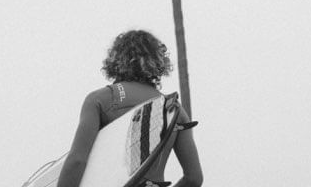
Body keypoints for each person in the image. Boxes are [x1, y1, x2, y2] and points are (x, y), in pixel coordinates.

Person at [56, 30, 203, 187]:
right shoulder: (174, 110)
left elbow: (77, 161)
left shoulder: (100, 100)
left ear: (115, 61)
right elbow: (194, 178)